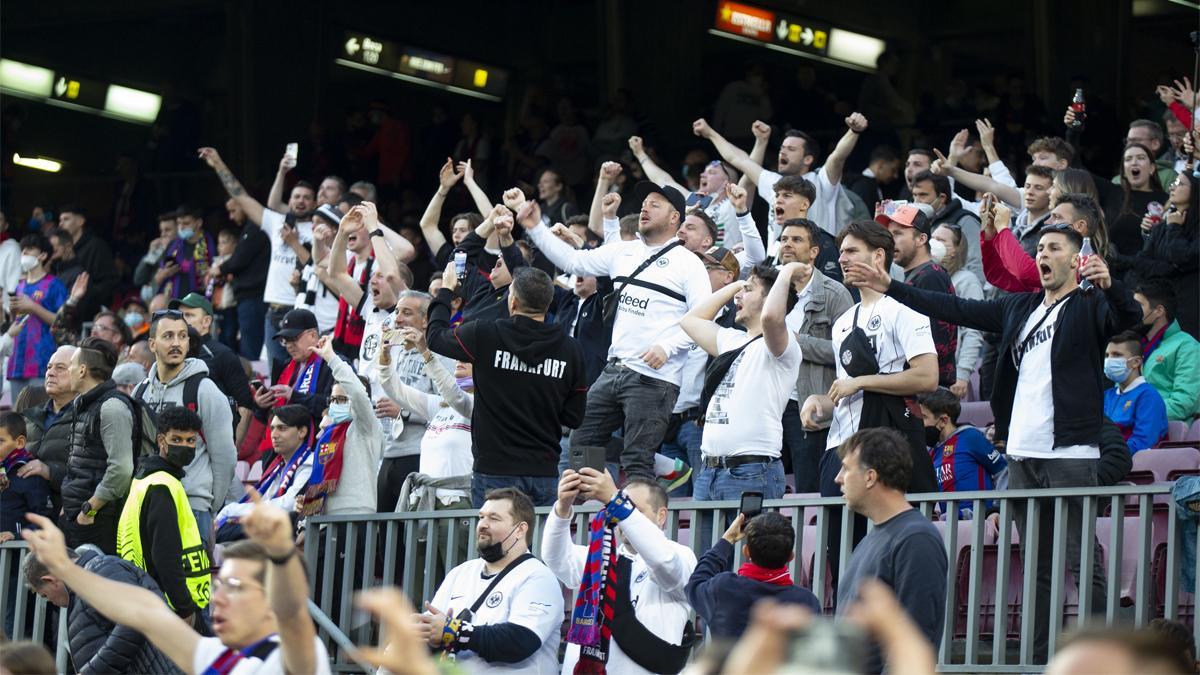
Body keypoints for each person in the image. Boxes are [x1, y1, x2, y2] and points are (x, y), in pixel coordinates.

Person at [846, 216, 1142, 663]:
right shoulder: (1020, 308)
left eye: (1055, 248)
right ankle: (1040, 660)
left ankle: (1100, 658)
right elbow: (955, 309)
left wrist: (1110, 286)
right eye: (1040, 248)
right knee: (1038, 566)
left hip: (1070, 452)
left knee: (1083, 563)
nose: (1043, 254)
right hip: (1022, 453)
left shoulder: (1088, 305)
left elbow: (1129, 318)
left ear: (1078, 259)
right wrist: (892, 287)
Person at [23, 486, 330, 674]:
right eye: (219, 586)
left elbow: (294, 620)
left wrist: (279, 554)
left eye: (234, 587)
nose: (217, 598)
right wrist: (67, 570)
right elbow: (144, 611)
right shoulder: (218, 656)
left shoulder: (292, 653)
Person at [519, 183, 709, 481]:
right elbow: (573, 261)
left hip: (654, 378)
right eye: (644, 202)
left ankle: (637, 521)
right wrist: (535, 228)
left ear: (675, 218)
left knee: (636, 461)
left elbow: (703, 319)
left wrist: (668, 347)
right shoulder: (623, 251)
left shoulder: (689, 264)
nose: (645, 208)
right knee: (581, 443)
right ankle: (595, 514)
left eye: (655, 204)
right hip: (614, 369)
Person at [428, 263, 587, 507]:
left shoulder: (484, 334)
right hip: (543, 472)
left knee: (494, 544)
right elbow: (573, 417)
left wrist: (447, 290)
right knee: (535, 545)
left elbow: (435, 337)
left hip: (494, 471)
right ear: (547, 304)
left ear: (512, 302)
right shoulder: (572, 350)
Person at [544, 469, 697, 674]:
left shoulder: (680, 554)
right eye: (617, 508)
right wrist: (562, 507)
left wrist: (616, 500)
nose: (621, 516)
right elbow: (555, 558)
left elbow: (663, 562)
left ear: (662, 516)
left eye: (634, 510)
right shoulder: (599, 556)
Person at [680, 264, 800, 501]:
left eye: (749, 290)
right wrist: (737, 285)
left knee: (750, 540)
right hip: (710, 471)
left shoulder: (782, 344)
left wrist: (786, 272)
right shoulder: (731, 339)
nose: (739, 296)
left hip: (752, 470)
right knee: (702, 541)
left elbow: (772, 317)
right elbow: (690, 320)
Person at [834, 427, 948, 674]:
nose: (838, 478)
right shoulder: (872, 539)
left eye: (846, 468)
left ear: (870, 477)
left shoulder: (916, 539)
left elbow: (915, 637)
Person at [416, 487, 564, 672]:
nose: (482, 525)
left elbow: (520, 640)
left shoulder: (538, 576)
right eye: (481, 517)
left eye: (494, 518)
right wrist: (431, 633)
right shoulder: (461, 572)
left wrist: (454, 630)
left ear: (520, 529)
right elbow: (430, 632)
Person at [199, 147, 315, 372]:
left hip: (302, 312)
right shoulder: (277, 222)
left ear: (314, 203)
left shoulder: (321, 228)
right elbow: (241, 196)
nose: (301, 201)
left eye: (307, 198)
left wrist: (294, 243)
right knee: (275, 376)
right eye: (297, 196)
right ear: (289, 201)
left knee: (304, 376)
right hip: (273, 311)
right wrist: (218, 164)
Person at [136, 309, 237, 545]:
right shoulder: (140, 391)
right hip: (146, 503)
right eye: (168, 336)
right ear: (152, 344)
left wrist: (206, 505)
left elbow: (225, 457)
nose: (176, 343)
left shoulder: (205, 389)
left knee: (189, 582)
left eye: (182, 336)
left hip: (192, 507)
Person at [694, 113, 868, 247]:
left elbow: (837, 157)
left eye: (791, 149)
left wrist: (854, 131)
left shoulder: (822, 181)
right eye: (782, 148)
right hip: (776, 270)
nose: (782, 153)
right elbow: (738, 159)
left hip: (817, 268)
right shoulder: (774, 182)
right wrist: (709, 133)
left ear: (808, 159)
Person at [21, 533, 181, 674]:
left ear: (50, 580)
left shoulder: (101, 570)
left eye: (45, 595)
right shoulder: (89, 581)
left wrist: (93, 671)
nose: (51, 602)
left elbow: (136, 618)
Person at [777, 219, 855, 492]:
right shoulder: (768, 288)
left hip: (806, 406)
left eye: (796, 239)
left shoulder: (835, 294)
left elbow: (847, 353)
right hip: (770, 404)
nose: (787, 244)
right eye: (784, 238)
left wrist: (797, 342)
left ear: (813, 252)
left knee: (808, 491)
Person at [115, 405, 210, 626]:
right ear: (161, 440)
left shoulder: (145, 478)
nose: (185, 446)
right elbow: (165, 554)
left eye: (191, 440)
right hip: (173, 605)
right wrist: (184, 606)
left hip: (150, 597)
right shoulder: (162, 485)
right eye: (176, 439)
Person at [685, 512, 820, 639]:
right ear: (791, 556)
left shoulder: (724, 588)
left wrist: (727, 540)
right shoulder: (807, 602)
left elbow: (694, 584)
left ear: (746, 551)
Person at [60, 337, 135, 554]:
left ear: (82, 370)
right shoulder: (82, 404)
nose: (69, 372)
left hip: (98, 520)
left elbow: (121, 470)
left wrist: (89, 509)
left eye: (71, 366)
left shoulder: (112, 407)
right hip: (78, 517)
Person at [877, 202, 957, 387]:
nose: (890, 241)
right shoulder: (920, 274)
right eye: (888, 234)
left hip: (928, 392)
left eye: (897, 233)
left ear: (921, 239)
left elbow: (933, 341)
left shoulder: (931, 276)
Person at [170, 292, 254, 445]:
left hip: (213, 442)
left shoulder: (222, 355)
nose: (182, 320)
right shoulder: (170, 353)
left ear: (206, 321)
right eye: (179, 315)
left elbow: (245, 407)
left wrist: (233, 450)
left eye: (189, 315)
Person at [217, 404, 313, 529]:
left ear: (302, 432)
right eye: (272, 428)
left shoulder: (309, 463)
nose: (274, 434)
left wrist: (233, 510)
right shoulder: (277, 466)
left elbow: (288, 504)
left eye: (282, 428)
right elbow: (264, 500)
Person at [917, 387, 1008, 518]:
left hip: (979, 522)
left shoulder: (970, 437)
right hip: (948, 525)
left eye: (924, 417)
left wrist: (996, 510)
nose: (920, 424)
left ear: (943, 420)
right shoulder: (932, 453)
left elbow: (1002, 470)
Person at [6, 235, 67, 404]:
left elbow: (62, 321)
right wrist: (12, 312)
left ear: (43, 256)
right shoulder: (19, 286)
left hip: (42, 362)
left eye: (29, 250)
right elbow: (16, 322)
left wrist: (33, 307)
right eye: (22, 250)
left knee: (39, 415)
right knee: (18, 418)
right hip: (17, 361)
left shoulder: (54, 284)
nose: (24, 253)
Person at [209, 200, 271, 360]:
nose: (231, 216)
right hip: (249, 298)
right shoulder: (250, 227)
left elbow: (240, 258)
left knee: (252, 348)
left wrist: (220, 269)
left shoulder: (255, 228)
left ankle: (254, 383)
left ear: (245, 206)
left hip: (253, 298)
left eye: (233, 210)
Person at [931, 223, 985, 399]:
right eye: (933, 238)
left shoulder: (967, 281)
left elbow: (973, 330)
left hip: (949, 377)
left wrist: (962, 374)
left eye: (941, 240)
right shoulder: (922, 276)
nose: (934, 243)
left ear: (955, 250)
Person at [19, 345, 74, 514]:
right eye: (49, 367)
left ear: (80, 373)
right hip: (24, 516)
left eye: (60, 368)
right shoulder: (28, 417)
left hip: (68, 516)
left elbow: (93, 474)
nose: (50, 373)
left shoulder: (89, 417)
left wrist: (50, 472)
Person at [252, 309, 332, 425]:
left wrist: (295, 396)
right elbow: (271, 420)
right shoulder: (284, 367)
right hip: (282, 439)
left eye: (294, 338)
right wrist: (261, 407)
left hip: (314, 438)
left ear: (313, 336)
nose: (289, 346)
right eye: (286, 340)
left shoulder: (333, 364)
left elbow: (335, 406)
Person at [1133, 281, 1199, 422]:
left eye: (1138, 306)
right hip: (1131, 427)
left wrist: (1140, 416)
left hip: (1166, 433)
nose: (1132, 311)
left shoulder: (1186, 346)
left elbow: (1184, 402)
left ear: (1159, 311)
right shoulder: (1134, 346)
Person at [1102, 331, 1169, 453]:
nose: (1109, 360)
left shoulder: (1148, 396)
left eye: (1117, 355)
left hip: (1133, 466)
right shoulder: (1107, 395)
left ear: (1136, 362)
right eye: (1107, 355)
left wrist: (1108, 457)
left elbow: (1144, 442)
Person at [55, 205, 116, 321]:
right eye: (60, 220)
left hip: (88, 313)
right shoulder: (59, 249)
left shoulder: (97, 246)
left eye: (66, 219)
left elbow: (109, 281)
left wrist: (88, 295)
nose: (60, 224)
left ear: (80, 221)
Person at [0, 412, 52, 544]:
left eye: (0, 441)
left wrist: (16, 535)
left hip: (17, 557)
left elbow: (44, 523)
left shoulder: (31, 476)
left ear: (20, 442)